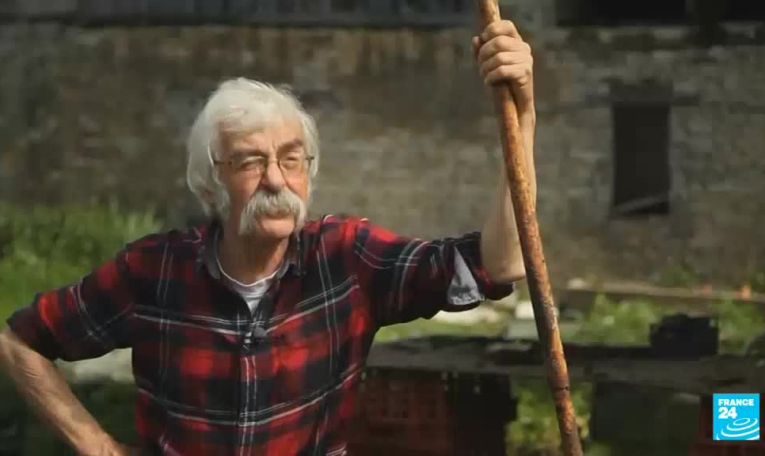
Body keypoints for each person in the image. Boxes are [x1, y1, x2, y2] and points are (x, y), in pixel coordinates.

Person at [0, 20, 536, 456]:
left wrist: (523, 118)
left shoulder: (345, 259)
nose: (276, 180)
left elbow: (499, 264)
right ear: (208, 185)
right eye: (250, 162)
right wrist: (95, 445)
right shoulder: (155, 273)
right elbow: (20, 340)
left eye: (291, 159)